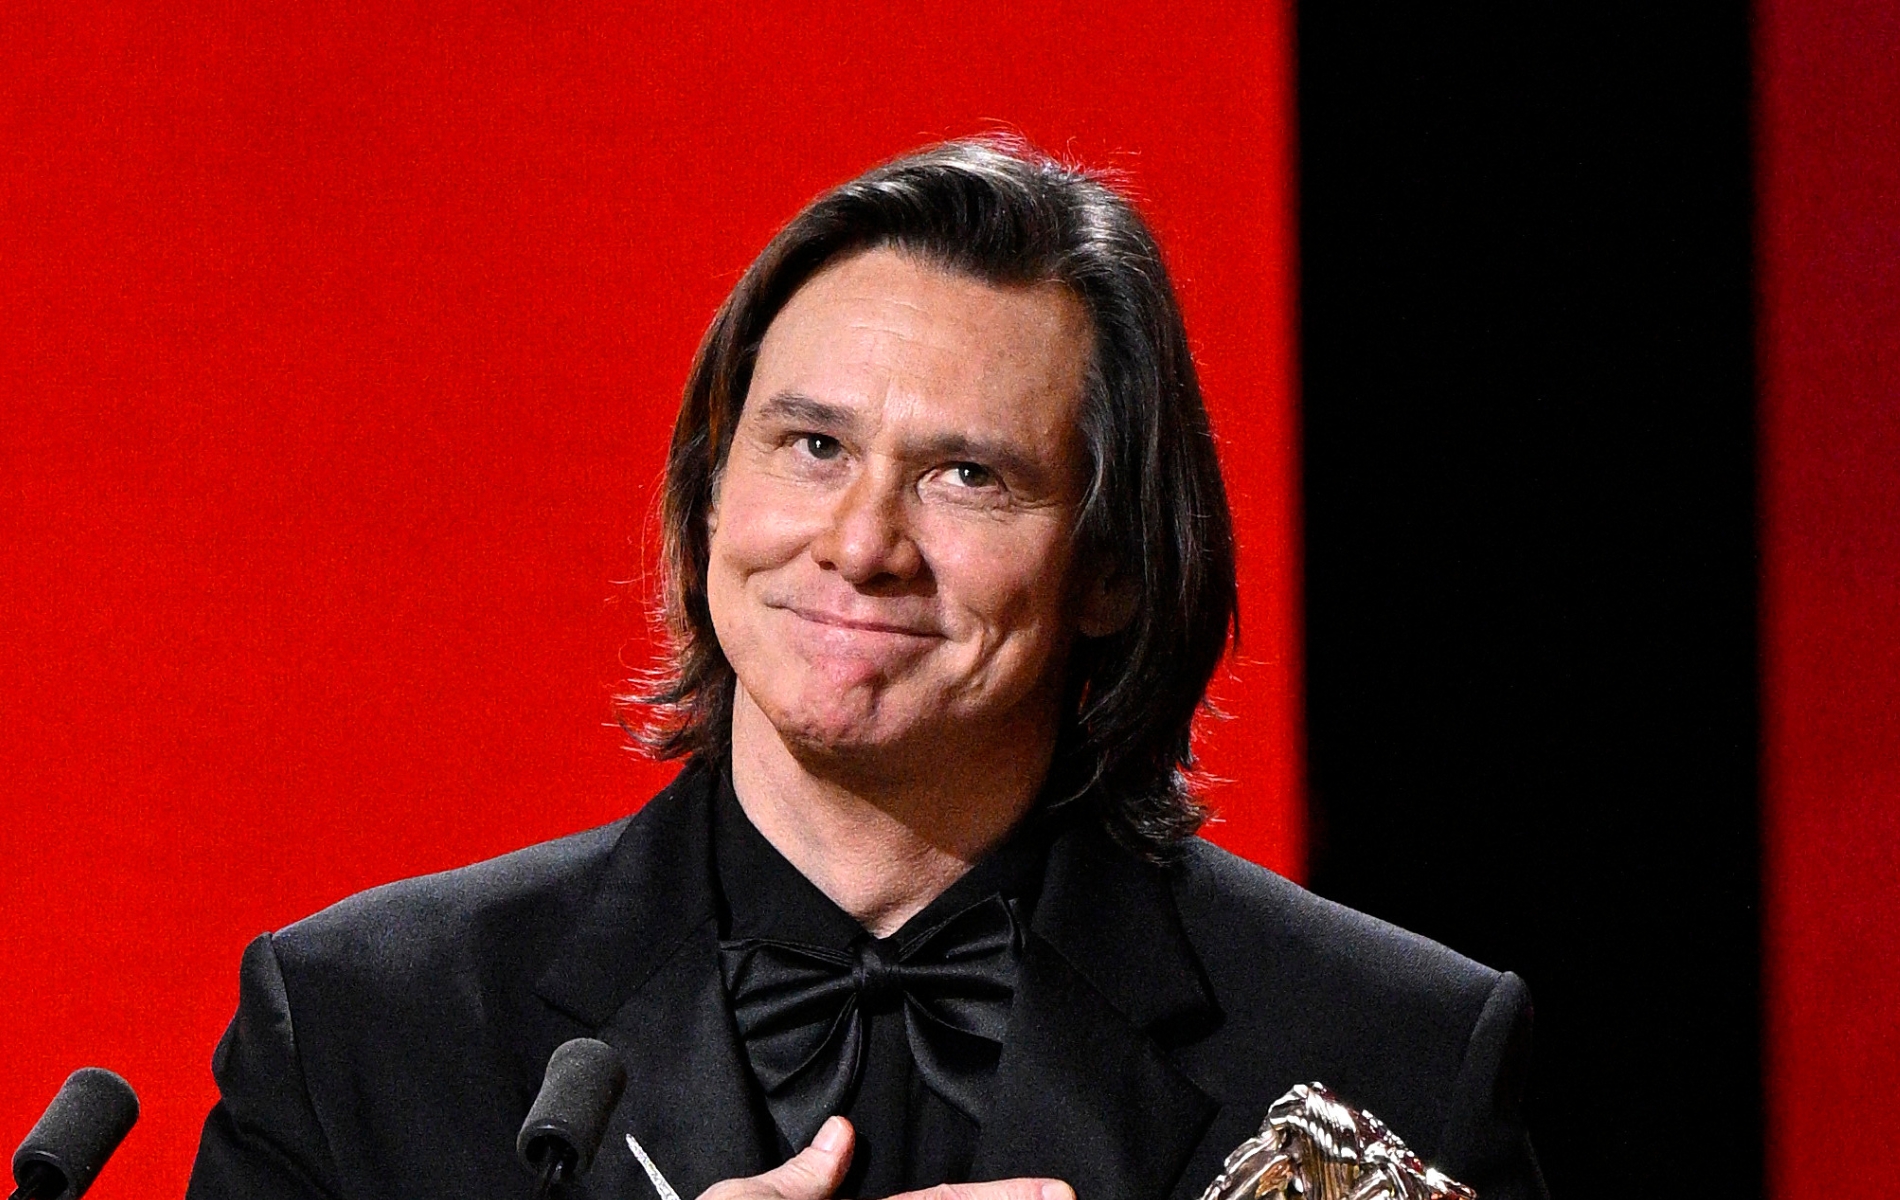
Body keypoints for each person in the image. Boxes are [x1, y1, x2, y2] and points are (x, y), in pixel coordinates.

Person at [186, 138, 1546, 1200]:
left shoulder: (1389, 1050)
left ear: (1115, 567)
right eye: (813, 448)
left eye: (969, 474)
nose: (861, 545)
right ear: (711, 497)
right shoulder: (370, 1030)